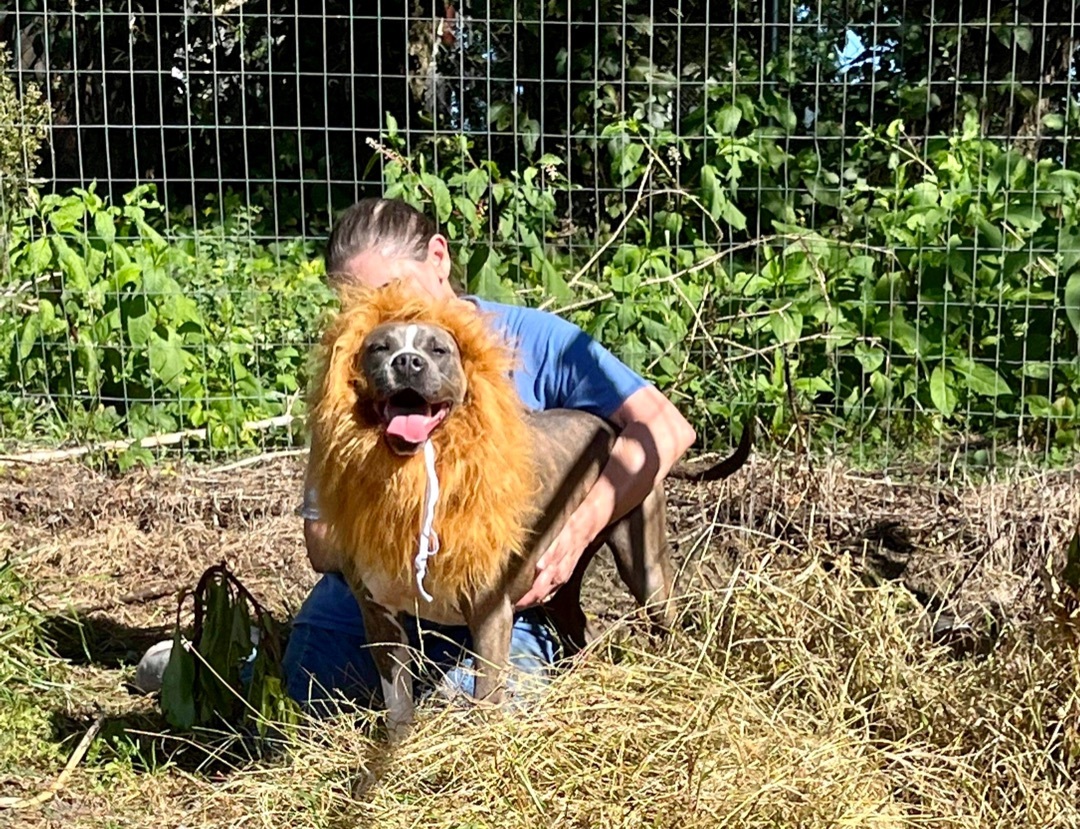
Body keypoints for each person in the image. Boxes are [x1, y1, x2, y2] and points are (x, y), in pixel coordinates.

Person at [136, 196, 697, 714]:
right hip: (381, 598)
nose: (391, 318)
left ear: (438, 258)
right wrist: (397, 541)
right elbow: (323, 542)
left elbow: (667, 429)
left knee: (459, 726)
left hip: (503, 602)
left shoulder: (536, 338)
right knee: (299, 701)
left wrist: (573, 535)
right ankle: (228, 663)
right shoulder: (355, 375)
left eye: (395, 289)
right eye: (366, 305)